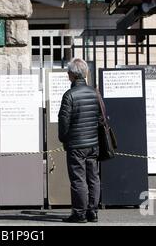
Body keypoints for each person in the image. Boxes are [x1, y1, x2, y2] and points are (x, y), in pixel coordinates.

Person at [58, 58, 101, 223]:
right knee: (93, 177)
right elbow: (100, 118)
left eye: (68, 73)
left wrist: (64, 139)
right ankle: (93, 212)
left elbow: (64, 121)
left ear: (72, 75)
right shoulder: (94, 93)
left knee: (78, 179)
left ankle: (79, 214)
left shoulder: (69, 95)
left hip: (76, 145)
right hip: (93, 144)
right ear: (85, 74)